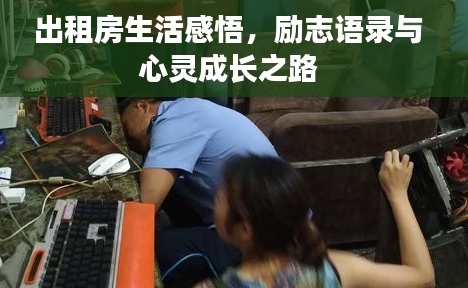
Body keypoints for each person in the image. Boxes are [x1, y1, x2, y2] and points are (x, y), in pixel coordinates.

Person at [195, 151, 435, 288]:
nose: (215, 202)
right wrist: (397, 194)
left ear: (245, 230)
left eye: (219, 198)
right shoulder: (332, 269)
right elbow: (423, 278)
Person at [118, 97, 278, 288]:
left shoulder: (174, 125)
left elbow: (145, 206)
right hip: (256, 215)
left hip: (259, 239)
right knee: (164, 180)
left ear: (142, 106)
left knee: (145, 251)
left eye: (125, 127)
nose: (126, 140)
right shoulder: (186, 109)